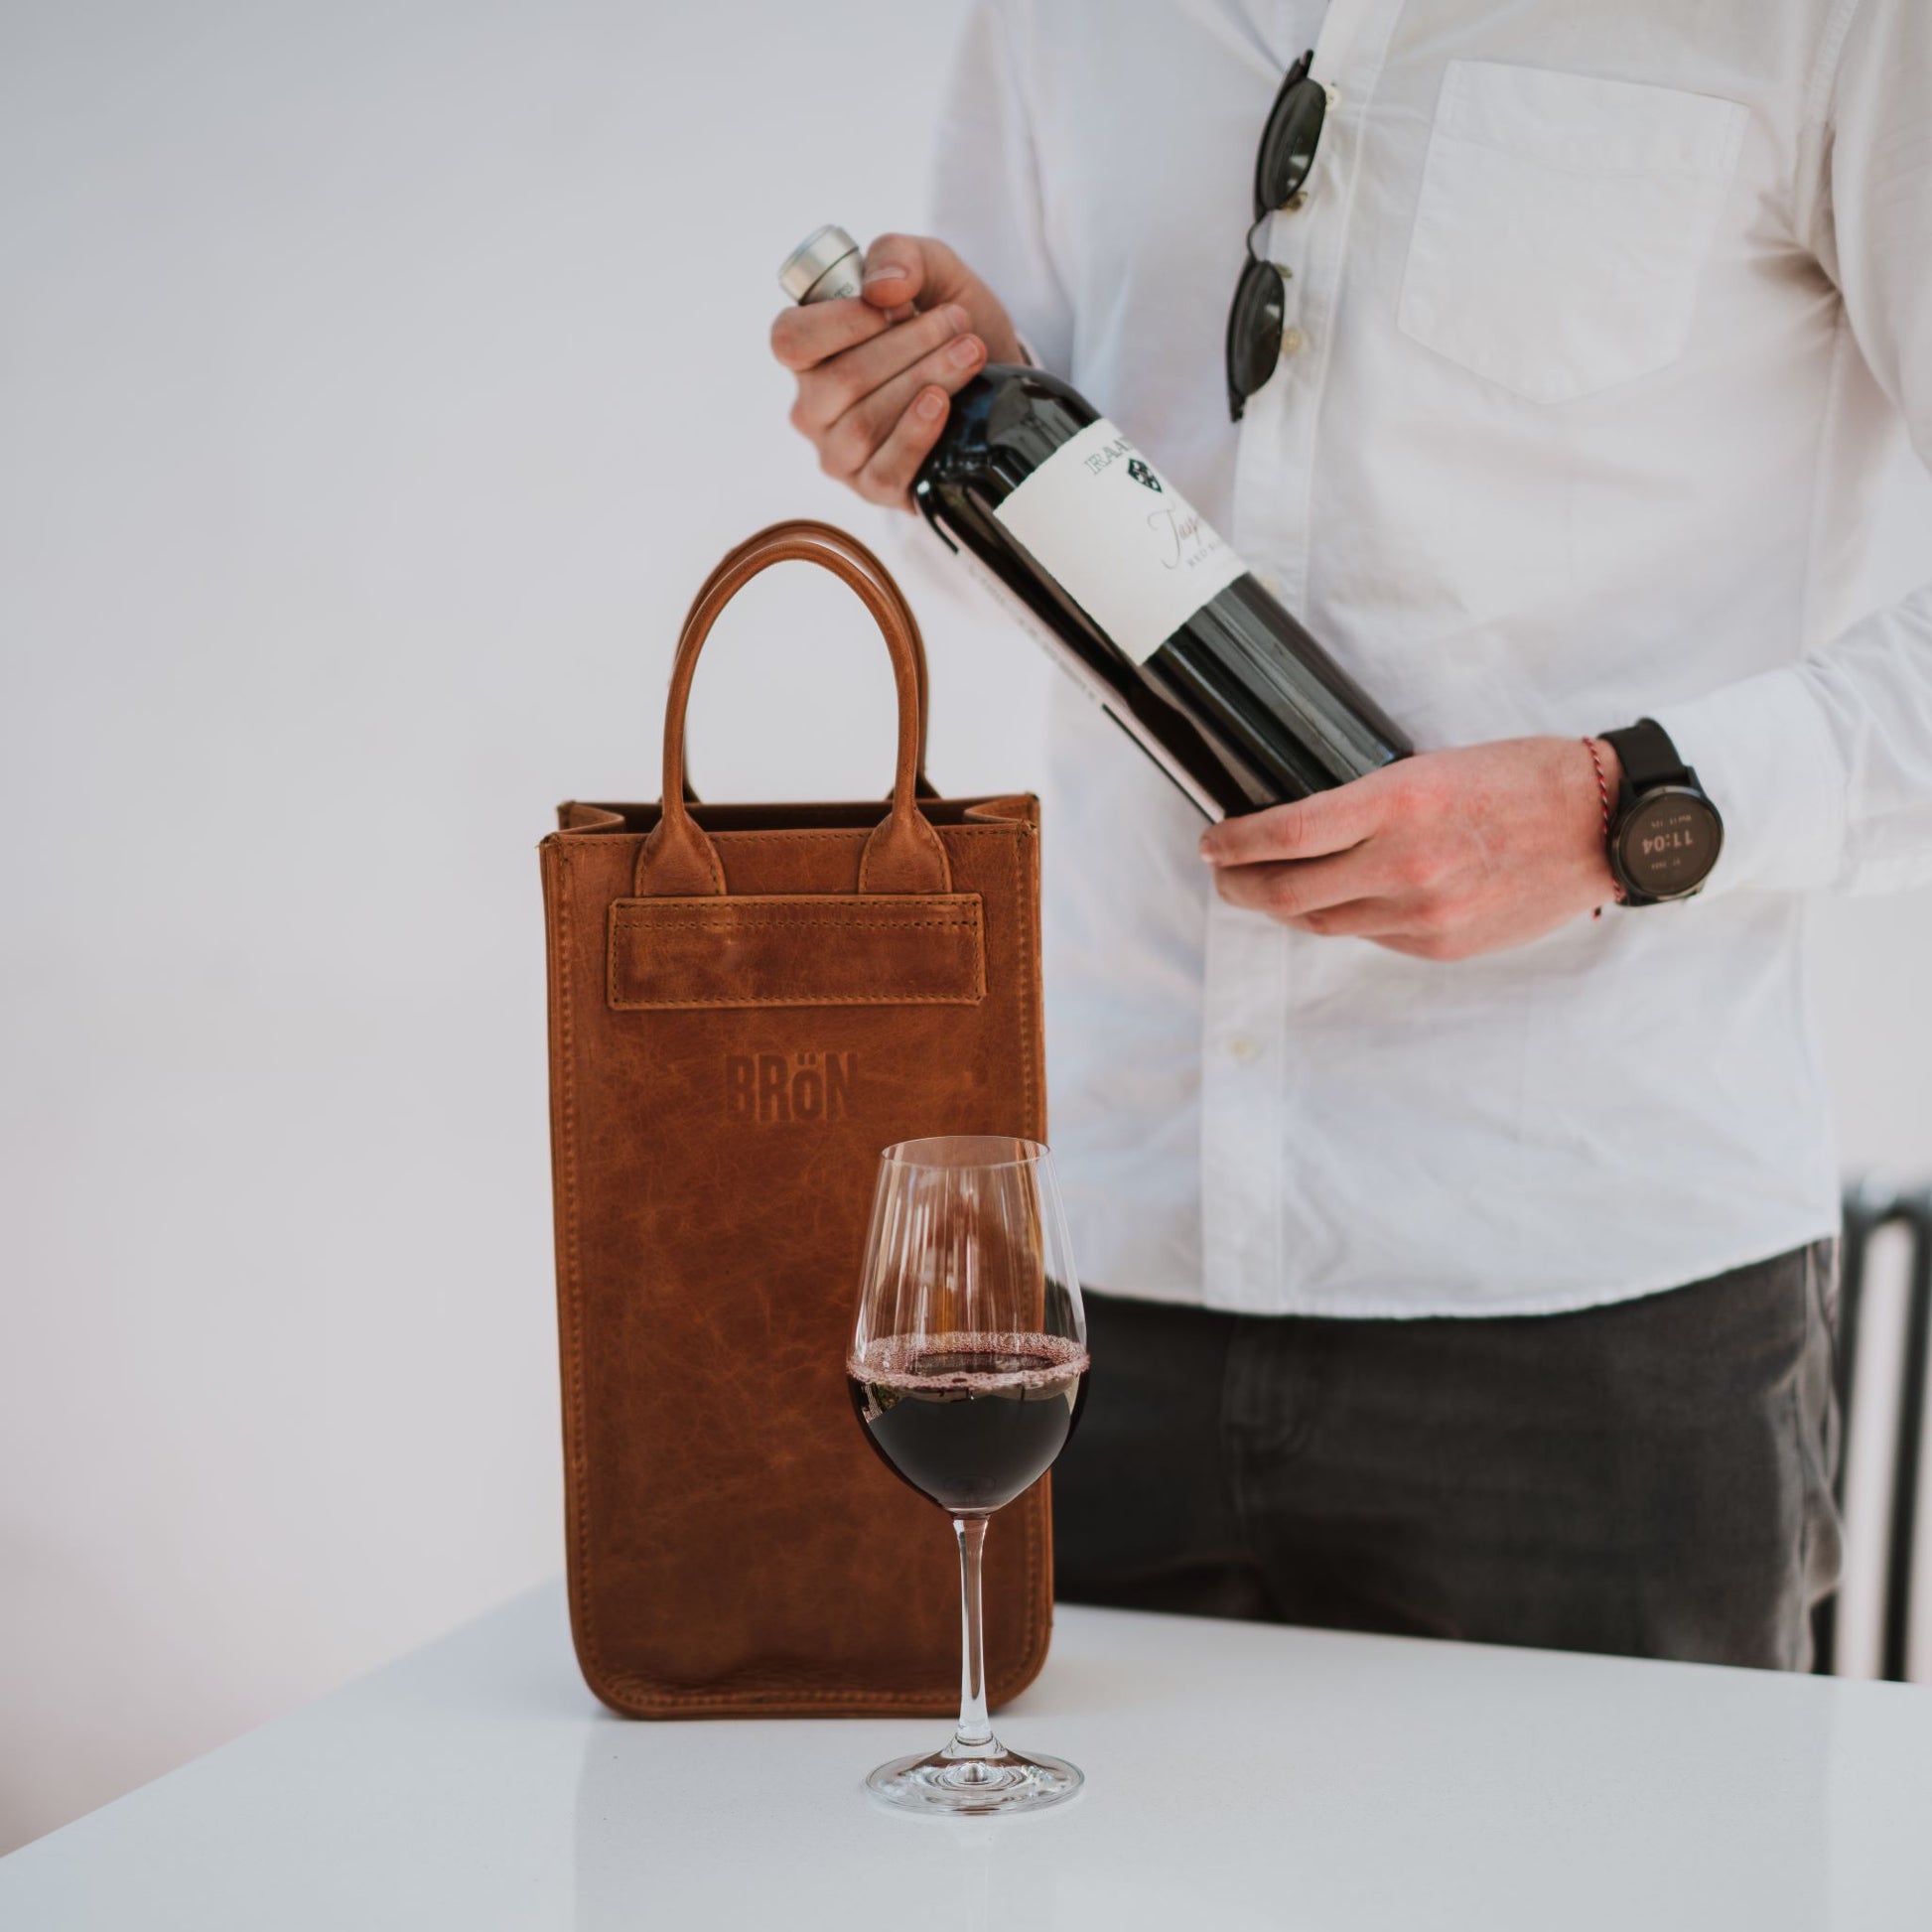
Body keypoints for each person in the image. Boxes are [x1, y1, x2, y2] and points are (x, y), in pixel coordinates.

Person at [769, 0, 1932, 1668]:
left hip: (1594, 1312)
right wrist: (928, 428)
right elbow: (1041, 508)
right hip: (1096, 1273)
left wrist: (1625, 811)